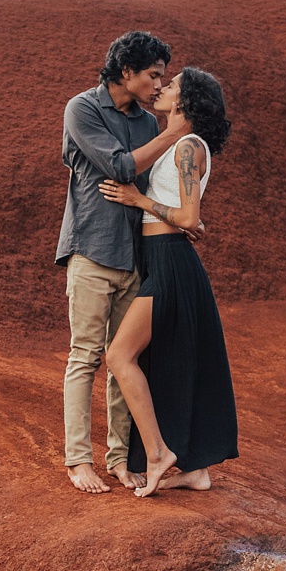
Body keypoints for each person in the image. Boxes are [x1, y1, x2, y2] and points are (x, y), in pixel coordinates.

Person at [55, 31, 190, 494]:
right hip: (92, 250)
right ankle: (78, 460)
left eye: (163, 77)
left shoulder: (148, 124)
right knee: (85, 357)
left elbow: (153, 184)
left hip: (134, 256)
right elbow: (119, 167)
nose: (159, 85)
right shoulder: (83, 109)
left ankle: (117, 459)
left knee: (122, 360)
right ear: (126, 72)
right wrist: (174, 132)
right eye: (153, 75)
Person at [100, 67, 238, 498]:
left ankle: (159, 454)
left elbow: (189, 218)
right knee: (166, 361)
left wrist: (138, 199)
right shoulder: (180, 146)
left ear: (186, 100)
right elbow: (189, 218)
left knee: (120, 356)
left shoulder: (187, 147)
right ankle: (195, 471)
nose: (162, 89)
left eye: (172, 85)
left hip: (170, 262)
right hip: (164, 258)